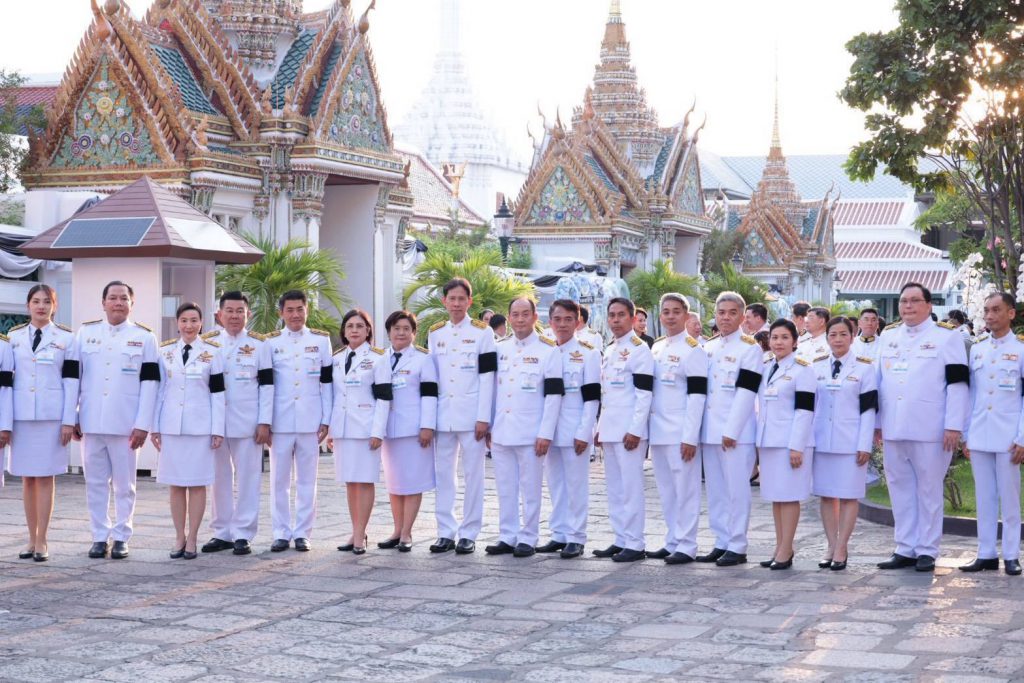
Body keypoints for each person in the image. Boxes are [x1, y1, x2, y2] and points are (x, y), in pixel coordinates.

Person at [876, 282, 969, 572]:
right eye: (904, 301)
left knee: (928, 490)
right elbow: (878, 383)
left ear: (929, 305)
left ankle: (927, 549)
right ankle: (905, 547)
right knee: (899, 489)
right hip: (893, 427)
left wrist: (954, 425)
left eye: (915, 301)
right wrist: (877, 425)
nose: (908, 306)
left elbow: (957, 385)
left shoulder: (946, 338)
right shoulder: (888, 337)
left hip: (931, 429)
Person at [71, 280, 159, 560]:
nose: (118, 302)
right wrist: (72, 415)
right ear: (103, 302)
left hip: (126, 425)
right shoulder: (86, 333)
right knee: (95, 483)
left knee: (125, 485)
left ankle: (121, 536)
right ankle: (99, 536)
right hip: (91, 422)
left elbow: (150, 384)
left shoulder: (145, 337)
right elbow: (74, 377)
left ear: (132, 303)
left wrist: (143, 424)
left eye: (124, 298)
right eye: (113, 298)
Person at [485, 297, 564, 557]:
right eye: (515, 314)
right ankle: (507, 535)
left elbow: (553, 396)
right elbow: (491, 390)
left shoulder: (549, 350)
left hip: (532, 432)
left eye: (524, 314)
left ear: (534, 318)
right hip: (501, 430)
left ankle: (528, 537)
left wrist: (545, 432)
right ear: (508, 317)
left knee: (530, 487)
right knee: (505, 486)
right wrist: (488, 424)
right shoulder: (499, 348)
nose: (519, 319)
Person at [427, 278, 497, 555]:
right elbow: (431, 379)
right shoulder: (435, 333)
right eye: (451, 299)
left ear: (470, 301)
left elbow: (488, 378)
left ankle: (469, 532)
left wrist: (484, 417)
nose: (456, 304)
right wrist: (429, 419)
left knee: (473, 475)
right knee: (443, 475)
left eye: (461, 299)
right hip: (443, 416)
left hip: (472, 416)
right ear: (444, 301)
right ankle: (445, 531)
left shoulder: (483, 333)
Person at [201, 291, 274, 556]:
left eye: (239, 311)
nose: (234, 316)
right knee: (218, 478)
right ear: (219, 314)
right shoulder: (207, 342)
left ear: (248, 314)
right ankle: (221, 532)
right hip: (215, 424)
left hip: (248, 422)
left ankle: (243, 533)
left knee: (248, 478)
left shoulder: (259, 344)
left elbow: (267, 386)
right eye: (229, 311)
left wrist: (265, 422)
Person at [152, 303, 226, 559]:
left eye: (194, 320)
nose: (189, 325)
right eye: (184, 320)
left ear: (201, 322)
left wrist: (218, 429)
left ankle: (193, 536)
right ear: (177, 322)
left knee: (196, 485)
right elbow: (160, 391)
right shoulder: (165, 352)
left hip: (199, 428)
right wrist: (155, 427)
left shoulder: (213, 352)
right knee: (175, 484)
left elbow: (218, 394)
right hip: (171, 426)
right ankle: (179, 536)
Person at [960, 292, 1024, 576]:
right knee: (984, 495)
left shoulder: (1021, 349)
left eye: (996, 310)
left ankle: (1011, 553)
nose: (989, 315)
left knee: (1009, 496)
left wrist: (1022, 436)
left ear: (1011, 313)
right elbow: (972, 395)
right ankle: (985, 552)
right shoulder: (977, 349)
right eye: (986, 310)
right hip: (980, 432)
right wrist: (966, 433)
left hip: (1008, 434)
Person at [265, 290, 333, 553]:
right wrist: (265, 421)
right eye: (290, 310)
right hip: (279, 421)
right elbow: (267, 386)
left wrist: (326, 419)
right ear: (281, 313)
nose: (295, 314)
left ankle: (303, 532)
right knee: (279, 481)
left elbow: (326, 383)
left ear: (307, 311)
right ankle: (281, 532)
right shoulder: (270, 343)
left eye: (300, 309)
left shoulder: (321, 341)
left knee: (307, 480)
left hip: (310, 420)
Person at [699, 291, 763, 567]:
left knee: (736, 489)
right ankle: (721, 540)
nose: (725, 317)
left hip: (736, 433)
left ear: (742, 315)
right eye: (721, 312)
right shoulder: (708, 348)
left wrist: (732, 430)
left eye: (731, 312)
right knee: (715, 489)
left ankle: (737, 544)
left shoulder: (750, 349)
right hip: (709, 430)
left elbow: (747, 393)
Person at [811, 316, 878, 571]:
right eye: (832, 335)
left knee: (849, 497)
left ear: (852, 336)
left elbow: (869, 409)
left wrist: (864, 444)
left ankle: (842, 547)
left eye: (843, 334)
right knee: (827, 496)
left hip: (851, 442)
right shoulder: (816, 366)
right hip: (822, 441)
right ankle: (831, 544)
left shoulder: (864, 368)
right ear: (826, 338)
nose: (837, 339)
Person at [8, 284, 68, 562]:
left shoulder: (66, 337)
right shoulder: (13, 337)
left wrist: (70, 419)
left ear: (54, 305)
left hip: (50, 417)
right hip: (21, 416)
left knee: (45, 477)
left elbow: (72, 382)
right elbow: (6, 383)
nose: (41, 306)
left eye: (47, 301)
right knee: (27, 478)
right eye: (36, 301)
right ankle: (30, 538)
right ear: (28, 305)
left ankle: (43, 539)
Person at [593, 297, 654, 563]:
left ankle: (635, 542)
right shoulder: (610, 349)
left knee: (630, 488)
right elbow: (607, 394)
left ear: (632, 318)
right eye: (612, 315)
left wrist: (636, 430)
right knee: (615, 488)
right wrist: (600, 427)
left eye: (621, 315)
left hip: (630, 432)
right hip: (610, 428)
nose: (616, 320)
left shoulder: (639, 350)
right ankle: (620, 538)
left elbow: (644, 394)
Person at [648, 293, 708, 565]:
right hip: (659, 430)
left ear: (686, 316)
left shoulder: (693, 350)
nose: (670, 316)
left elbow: (697, 396)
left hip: (680, 431)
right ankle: (672, 539)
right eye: (666, 311)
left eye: (676, 311)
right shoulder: (657, 348)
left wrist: (690, 436)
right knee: (667, 490)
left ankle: (686, 544)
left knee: (686, 489)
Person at [537, 299, 600, 559]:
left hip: (575, 429)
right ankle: (559, 533)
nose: (562, 324)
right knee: (555, 485)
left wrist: (585, 432)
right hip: (548, 430)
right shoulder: (543, 351)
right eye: (557, 319)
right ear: (549, 322)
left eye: (568, 319)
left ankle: (576, 537)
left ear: (577, 322)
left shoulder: (588, 353)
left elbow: (592, 397)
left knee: (576, 485)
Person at [755, 319, 816, 570]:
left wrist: (796, 446)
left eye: (784, 338)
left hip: (791, 443)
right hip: (769, 441)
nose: (778, 342)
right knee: (776, 497)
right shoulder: (767, 366)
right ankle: (781, 546)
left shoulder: (804, 370)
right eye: (774, 337)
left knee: (789, 496)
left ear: (795, 341)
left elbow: (805, 411)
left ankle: (786, 548)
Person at [329, 309, 391, 554]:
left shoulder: (378, 357)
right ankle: (356, 531)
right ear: (344, 331)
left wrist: (378, 431)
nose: (354, 330)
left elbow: (384, 398)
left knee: (364, 481)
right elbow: (334, 395)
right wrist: (332, 430)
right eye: (350, 326)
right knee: (350, 482)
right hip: (343, 428)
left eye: (359, 326)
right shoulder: (336, 359)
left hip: (366, 429)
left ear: (368, 331)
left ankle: (360, 535)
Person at [379, 311, 436, 552]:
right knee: (395, 484)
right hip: (389, 431)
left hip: (414, 430)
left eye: (405, 329)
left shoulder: (423, 359)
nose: (400, 333)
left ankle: (406, 533)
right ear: (389, 332)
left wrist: (427, 426)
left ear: (414, 333)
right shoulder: (382, 358)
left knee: (412, 482)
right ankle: (396, 529)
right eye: (396, 328)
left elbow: (430, 395)